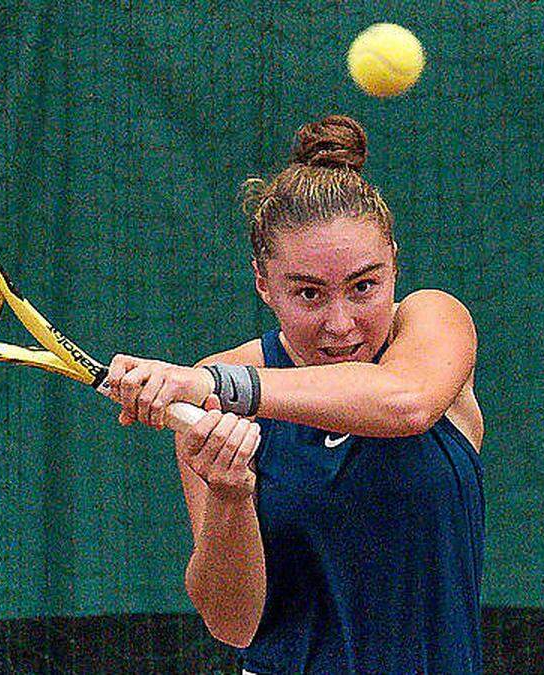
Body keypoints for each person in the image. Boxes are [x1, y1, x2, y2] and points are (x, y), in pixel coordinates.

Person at [106, 114, 485, 674]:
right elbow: (232, 624)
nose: (341, 323)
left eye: (364, 286)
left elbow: (405, 402)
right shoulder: (216, 390)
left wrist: (219, 386)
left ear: (395, 266)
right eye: (309, 293)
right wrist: (232, 496)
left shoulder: (434, 322)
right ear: (263, 284)